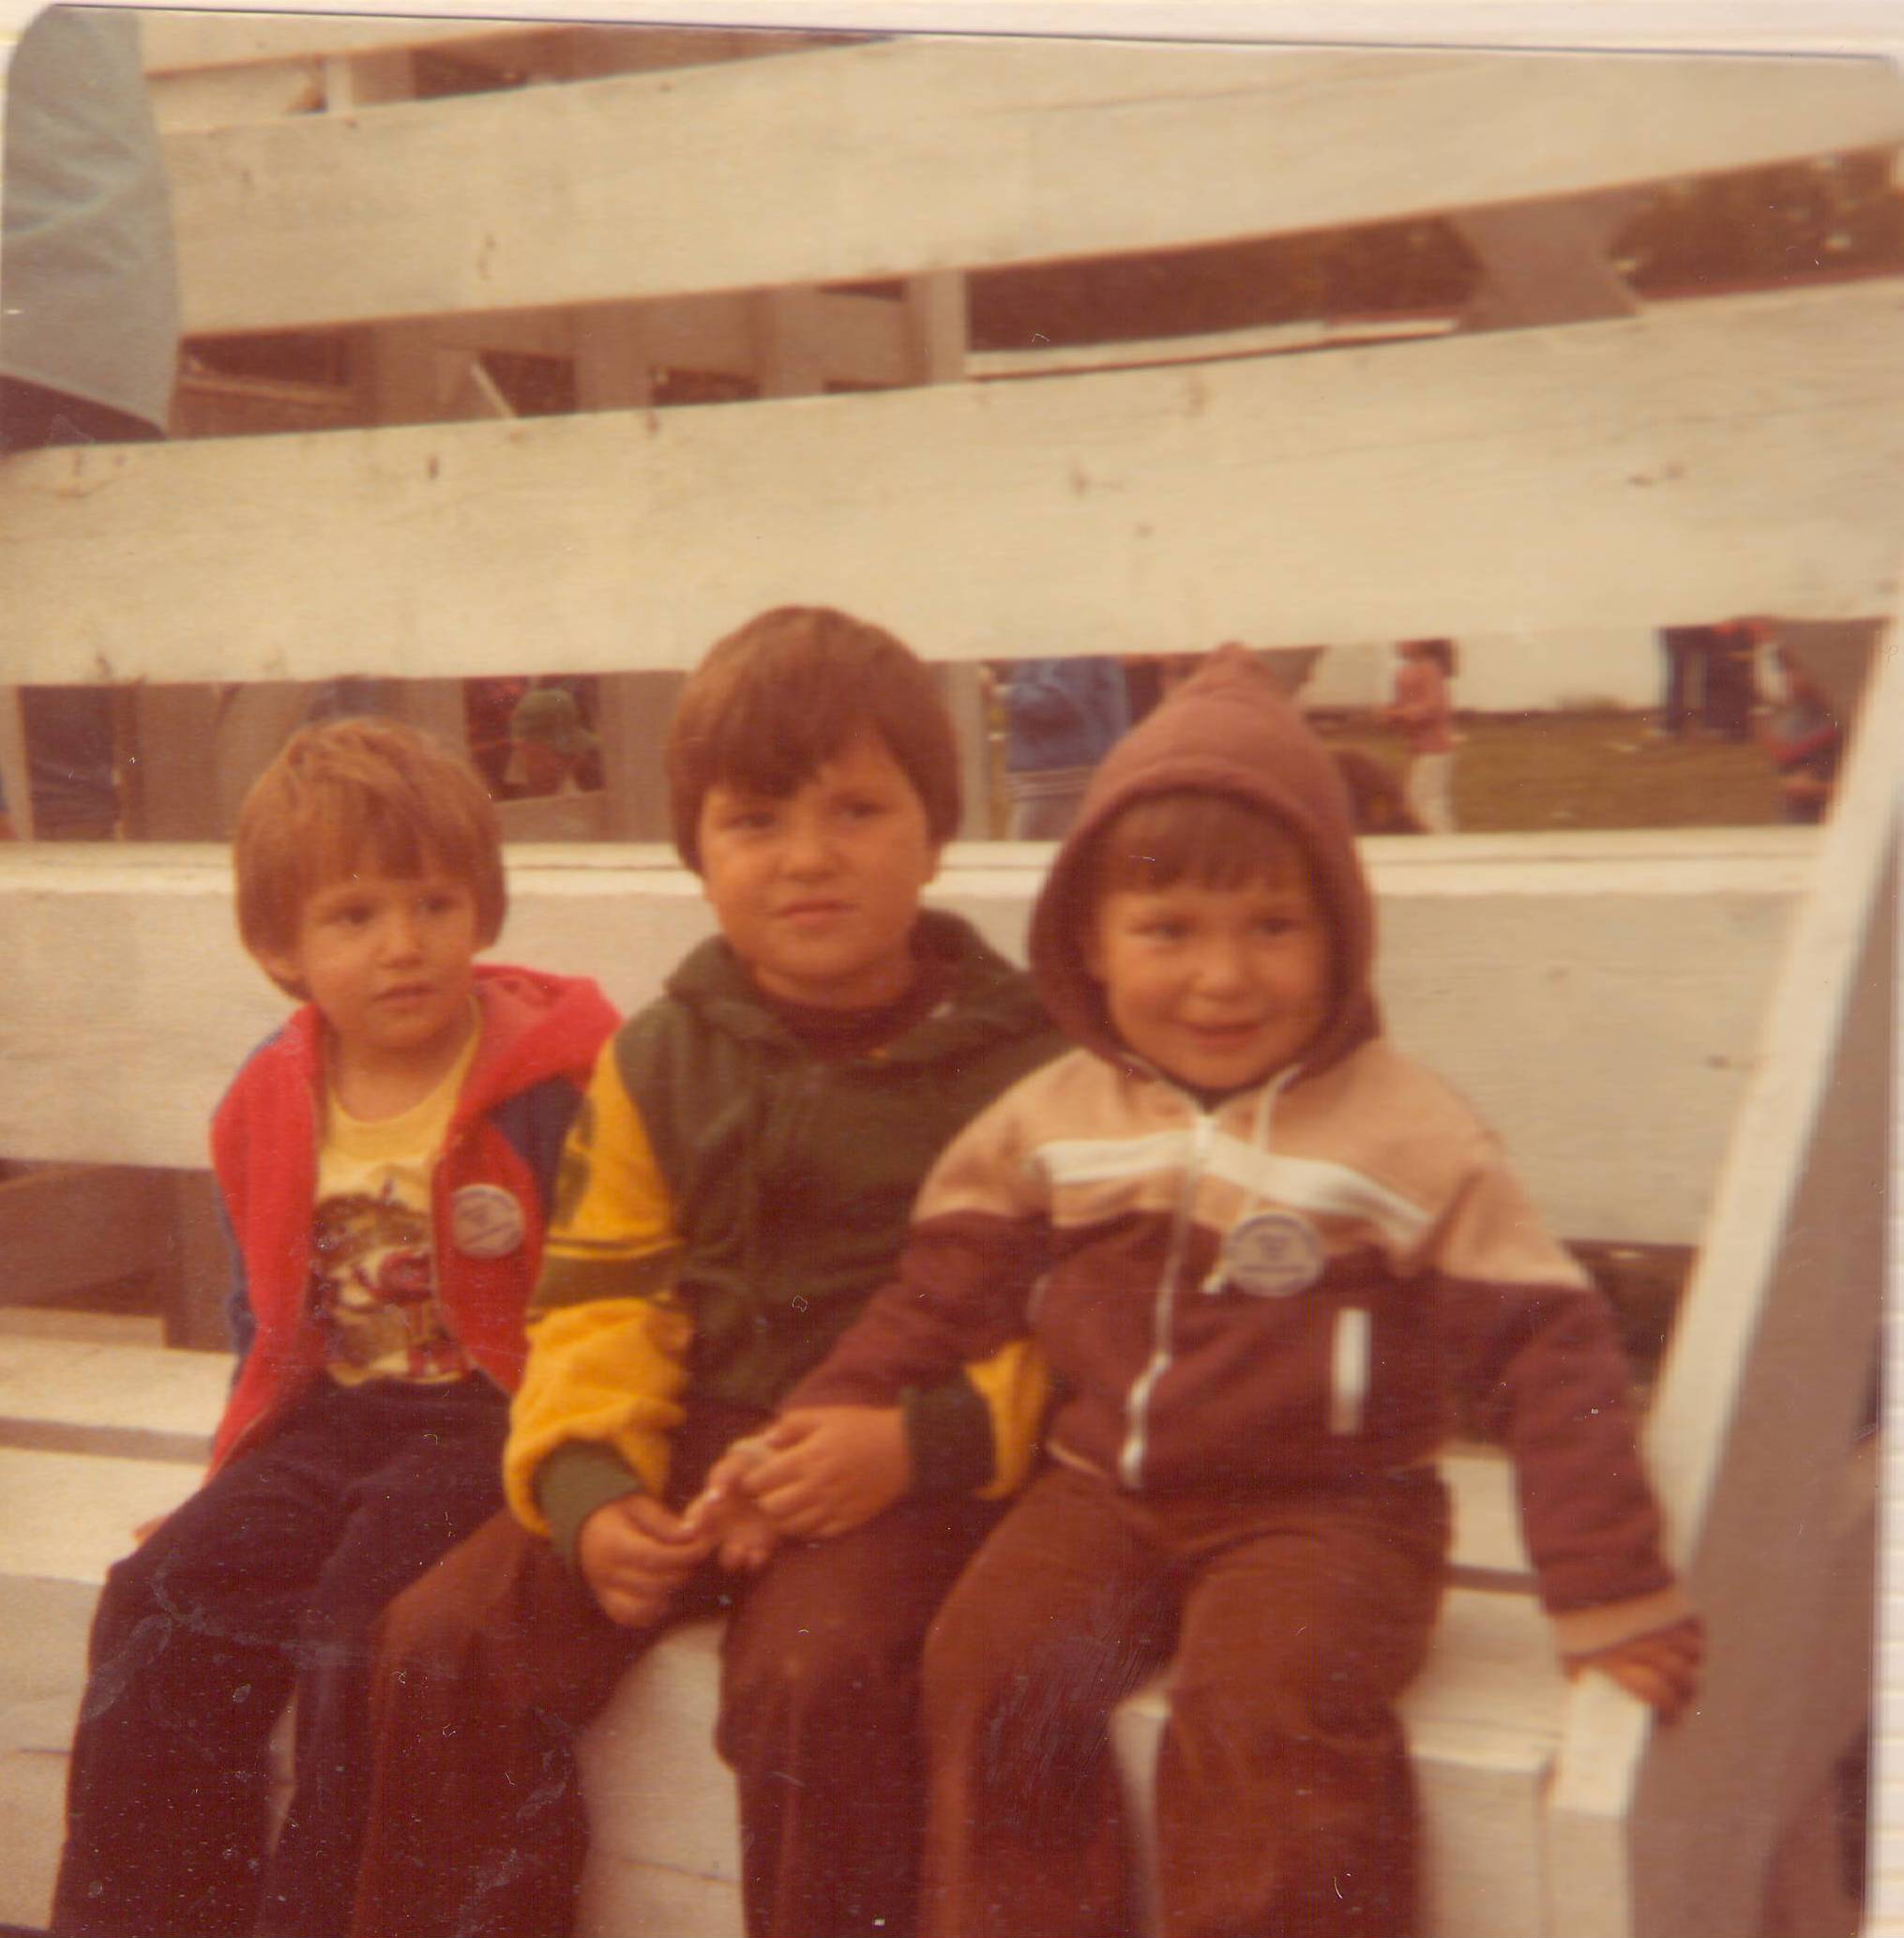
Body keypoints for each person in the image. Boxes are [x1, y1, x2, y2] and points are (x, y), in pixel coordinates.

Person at [722, 646, 1703, 1938]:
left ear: (1338, 932)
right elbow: (936, 1300)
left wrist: (1604, 1587)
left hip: (1329, 1517)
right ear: (1091, 941)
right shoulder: (1055, 1119)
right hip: (1099, 1496)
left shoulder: (1405, 1134)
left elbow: (1552, 1351)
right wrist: (817, 1418)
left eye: (1272, 927)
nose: (1223, 978)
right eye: (1168, 931)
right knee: (985, 1666)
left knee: (1260, 1710)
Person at [348, 607, 1059, 1938]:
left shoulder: (1023, 1064)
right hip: (678, 1447)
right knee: (441, 1637)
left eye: (855, 810)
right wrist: (591, 1489)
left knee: (814, 1674)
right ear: (698, 850)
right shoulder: (662, 1055)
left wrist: (917, 1444)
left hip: (894, 1470)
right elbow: (594, 1302)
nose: (807, 859)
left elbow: (1082, 1323)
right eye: (755, 822)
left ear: (935, 827)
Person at [50, 719, 619, 1938]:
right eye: (355, 914)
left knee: (357, 1627)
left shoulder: (548, 1080)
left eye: (433, 901)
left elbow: (619, 1286)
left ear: (484, 905)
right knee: (163, 1587)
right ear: (282, 944)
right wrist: (229, 1482)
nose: (403, 944)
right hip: (341, 1414)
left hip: (497, 1413)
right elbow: (269, 1318)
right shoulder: (271, 1095)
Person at [996, 655, 1132, 838]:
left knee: (1032, 861)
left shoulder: (1075, 641)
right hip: (1053, 778)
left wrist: (1000, 693)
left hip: (1062, 780)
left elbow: (1059, 701)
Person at [1760, 643, 1844, 825]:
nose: (1788, 678)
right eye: (1785, 670)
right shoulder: (1789, 726)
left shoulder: (1847, 720)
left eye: (1796, 670)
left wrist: (1823, 789)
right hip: (1799, 825)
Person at [1382, 636, 1458, 832]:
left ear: (1421, 643)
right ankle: (1438, 839)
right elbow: (1405, 706)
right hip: (1418, 750)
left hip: (1435, 749)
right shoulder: (1405, 671)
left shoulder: (1429, 668)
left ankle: (1445, 841)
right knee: (1420, 801)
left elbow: (1433, 707)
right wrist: (1389, 714)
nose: (1398, 642)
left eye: (1405, 639)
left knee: (1428, 804)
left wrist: (1398, 714)